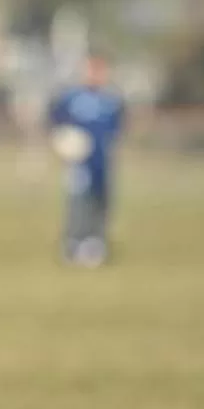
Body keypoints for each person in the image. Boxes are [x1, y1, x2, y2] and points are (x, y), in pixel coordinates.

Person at [48, 53, 124, 267]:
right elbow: (56, 124)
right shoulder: (71, 98)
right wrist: (62, 144)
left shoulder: (110, 101)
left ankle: (95, 244)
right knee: (78, 203)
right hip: (78, 164)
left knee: (101, 201)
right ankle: (73, 244)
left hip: (101, 162)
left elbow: (116, 131)